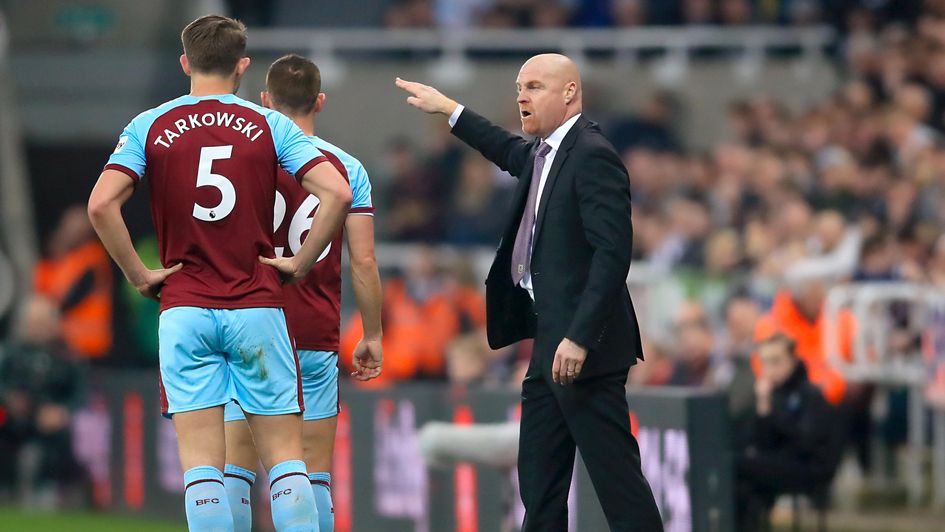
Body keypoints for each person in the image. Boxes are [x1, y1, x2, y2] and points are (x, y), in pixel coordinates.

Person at [87, 15, 351, 531]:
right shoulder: (268, 124)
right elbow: (336, 193)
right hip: (255, 304)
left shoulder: (151, 125)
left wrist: (139, 273)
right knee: (284, 459)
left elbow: (101, 206)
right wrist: (298, 263)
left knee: (204, 468)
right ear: (243, 66)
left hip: (185, 308)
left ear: (185, 62)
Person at [395, 53, 662, 531]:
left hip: (586, 351)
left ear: (570, 93)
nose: (522, 95)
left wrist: (580, 337)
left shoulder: (593, 154)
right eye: (520, 86)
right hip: (547, 346)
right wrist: (449, 109)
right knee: (539, 484)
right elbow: (503, 146)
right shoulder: (543, 154)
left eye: (535, 86)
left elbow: (613, 255)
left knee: (617, 483)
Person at [222, 54, 384, 532]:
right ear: (320, 101)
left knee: (236, 467)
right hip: (313, 328)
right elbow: (365, 261)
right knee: (312, 468)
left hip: (249, 322)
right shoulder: (347, 168)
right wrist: (372, 332)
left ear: (265, 100)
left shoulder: (242, 160)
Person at [736, 333, 842, 532]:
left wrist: (773, 416)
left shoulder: (810, 394)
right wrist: (763, 408)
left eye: (776, 361)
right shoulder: (768, 394)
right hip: (779, 464)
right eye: (765, 363)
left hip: (808, 468)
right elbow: (761, 444)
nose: (770, 370)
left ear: (792, 360)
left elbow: (805, 442)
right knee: (743, 488)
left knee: (738, 467)